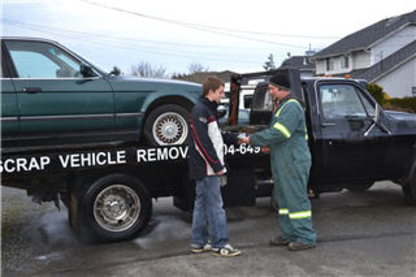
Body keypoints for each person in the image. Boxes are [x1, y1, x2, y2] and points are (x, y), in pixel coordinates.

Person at [241, 72, 316, 251]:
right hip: (283, 159)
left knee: (296, 199)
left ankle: (305, 237)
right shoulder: (283, 106)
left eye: (273, 89)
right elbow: (279, 136)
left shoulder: (291, 106)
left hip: (293, 160)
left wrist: (252, 139)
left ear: (283, 89)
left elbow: (279, 133)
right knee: (283, 200)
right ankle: (288, 234)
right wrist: (268, 145)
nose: (271, 92)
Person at [188, 76, 242, 257]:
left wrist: (237, 139)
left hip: (206, 168)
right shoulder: (200, 111)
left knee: (202, 204)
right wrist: (217, 166)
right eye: (220, 92)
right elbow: (202, 143)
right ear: (210, 91)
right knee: (216, 206)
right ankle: (221, 244)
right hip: (207, 169)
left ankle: (198, 242)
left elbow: (216, 136)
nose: (222, 96)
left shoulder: (207, 111)